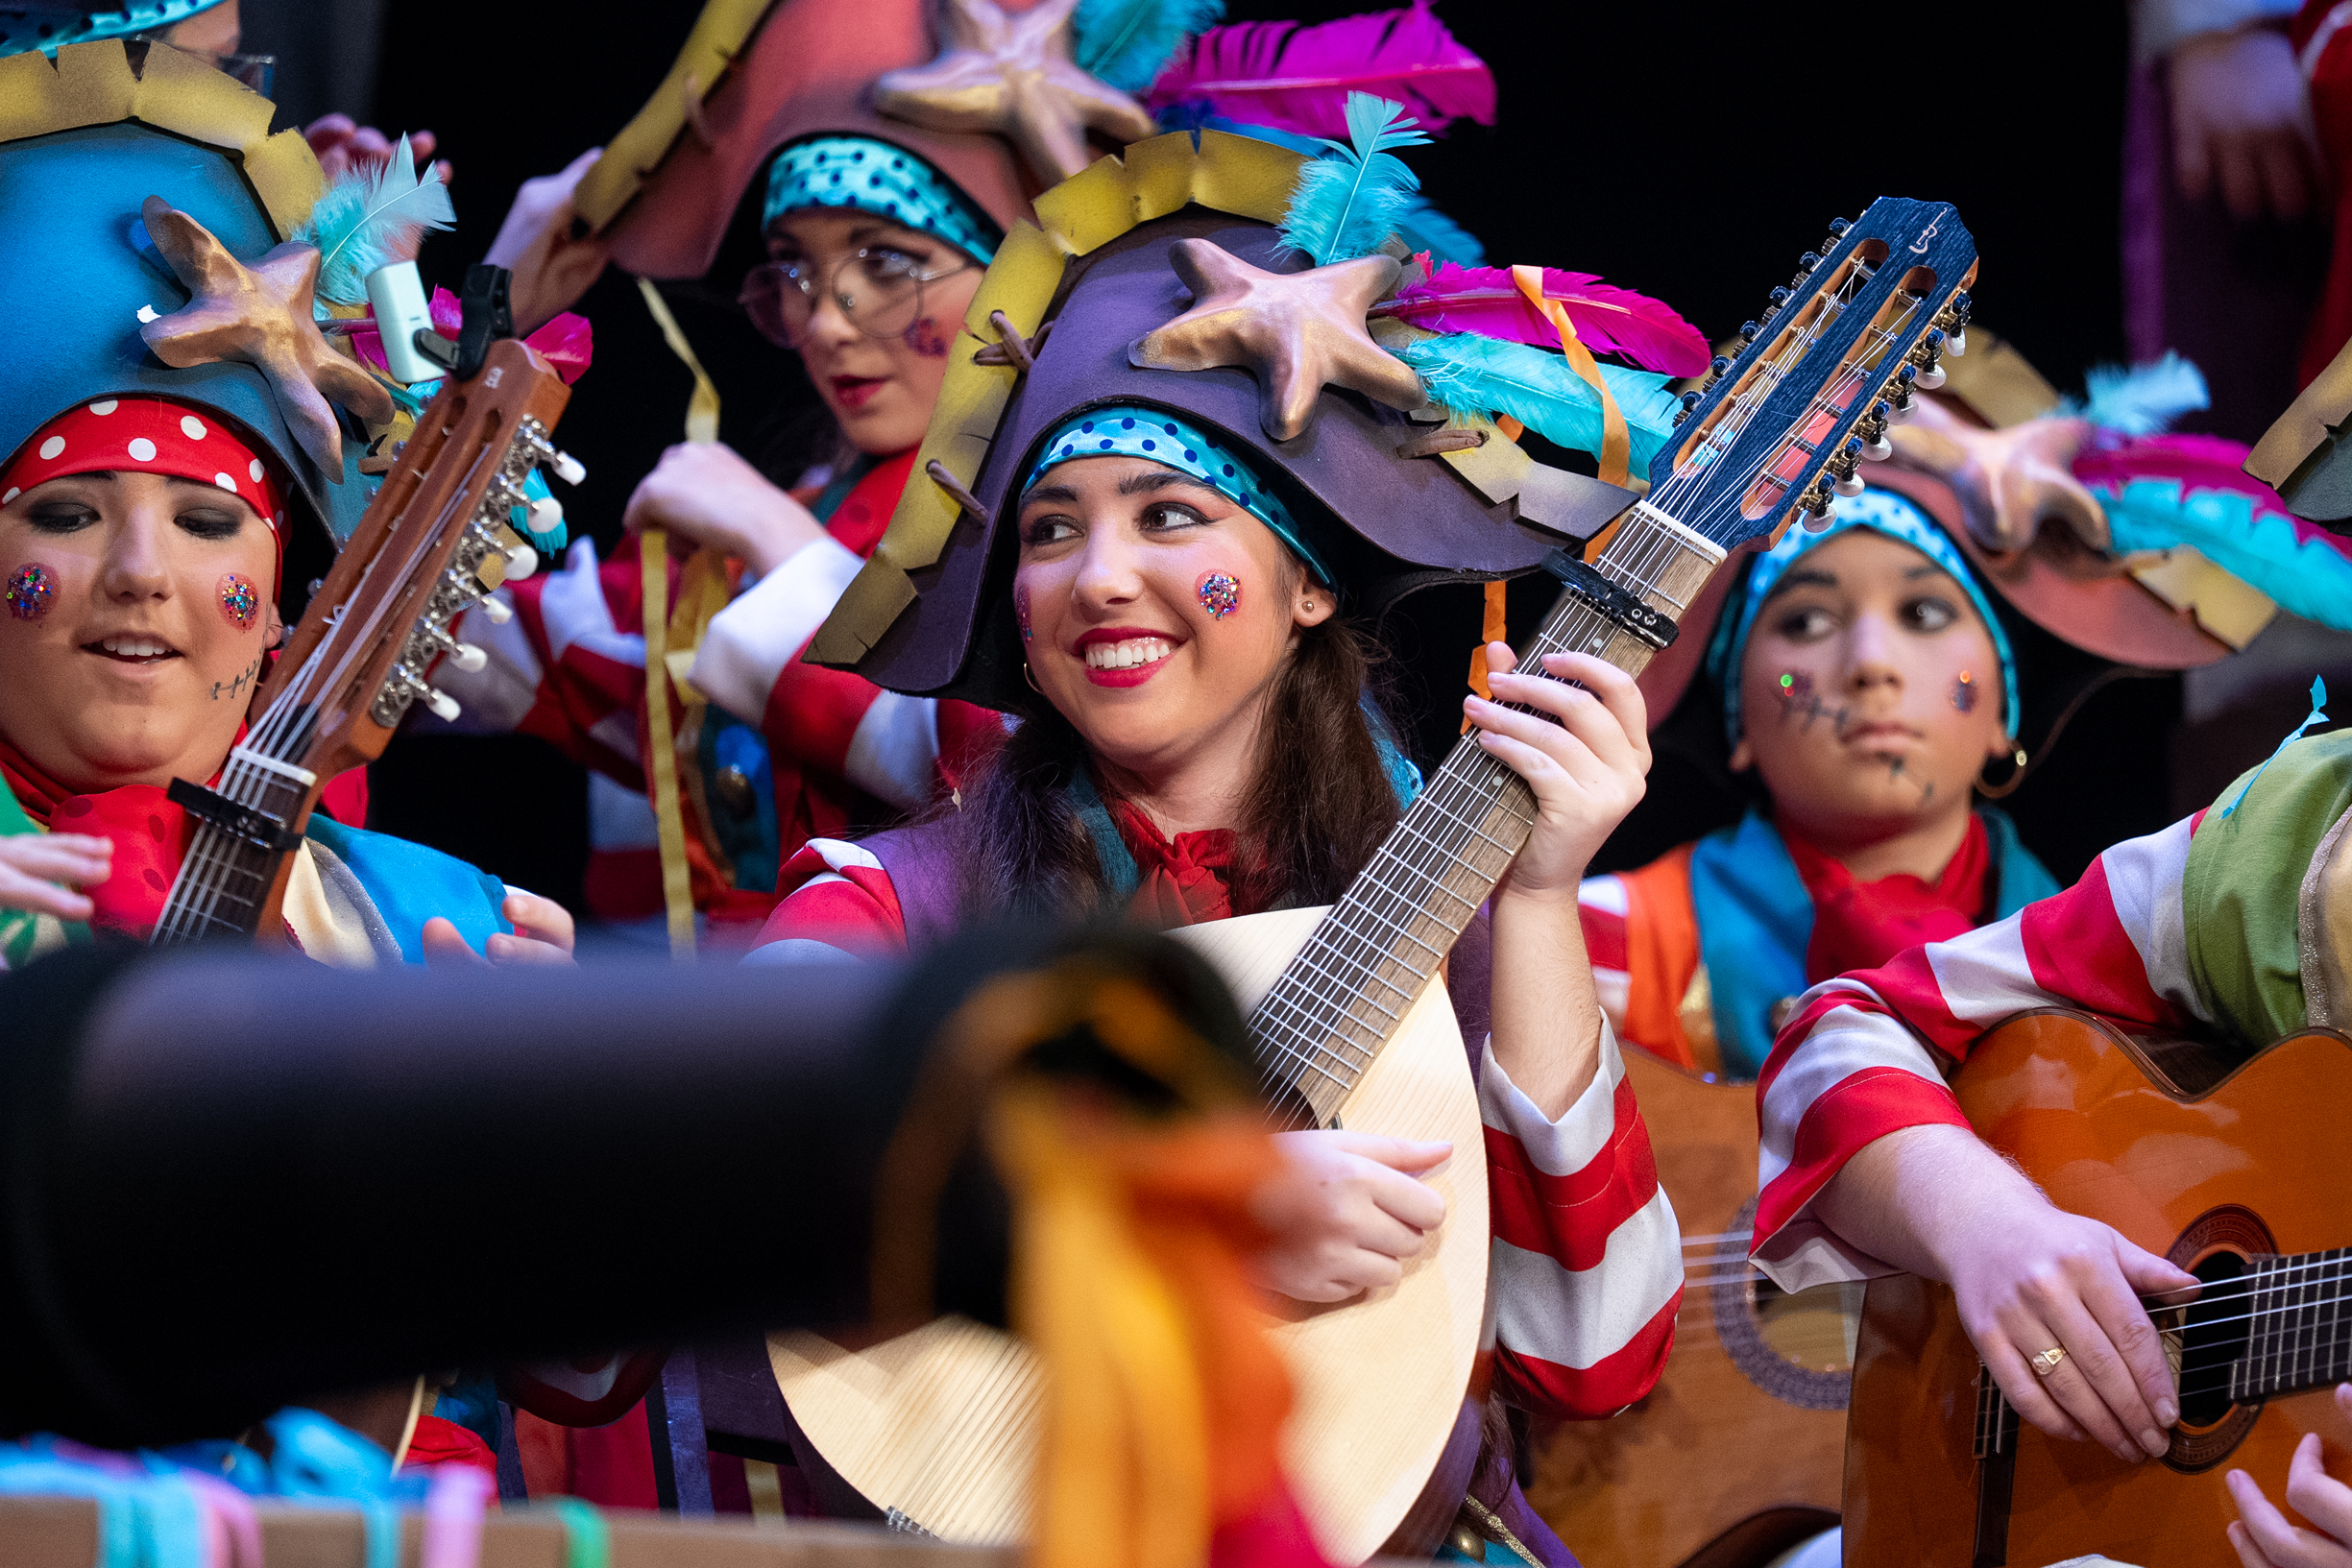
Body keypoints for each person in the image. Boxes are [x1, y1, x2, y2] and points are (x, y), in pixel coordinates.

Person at [744, 111, 1690, 1562]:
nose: (1099, 578)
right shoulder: (890, 903)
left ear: (1308, 585)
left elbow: (1598, 1358)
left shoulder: (1456, 917)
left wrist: (1546, 894)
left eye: (1169, 515)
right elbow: (756, 1190)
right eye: (1050, 531)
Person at [445, 0, 1498, 944]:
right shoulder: (725, 538)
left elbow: (1083, 748)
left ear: (1011, 275)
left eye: (887, 262)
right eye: (795, 273)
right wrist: (486, 325)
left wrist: (787, 553)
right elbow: (430, 650)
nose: (825, 319)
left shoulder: (1111, 512)